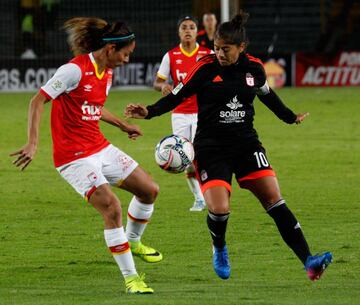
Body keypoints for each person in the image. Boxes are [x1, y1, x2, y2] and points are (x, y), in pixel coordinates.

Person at [125, 12, 332, 281]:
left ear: (241, 47)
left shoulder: (255, 68)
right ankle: (219, 247)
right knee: (220, 209)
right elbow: (178, 95)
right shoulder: (204, 67)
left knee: (274, 198)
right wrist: (149, 112)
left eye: (225, 49)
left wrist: (289, 117)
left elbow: (267, 96)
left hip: (246, 143)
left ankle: (309, 261)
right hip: (211, 147)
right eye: (216, 47)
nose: (219, 53)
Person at [10, 17, 163, 294]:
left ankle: (133, 241)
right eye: (126, 54)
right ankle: (131, 279)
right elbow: (38, 100)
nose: (128, 60)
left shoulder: (107, 72)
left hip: (99, 146)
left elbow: (92, 107)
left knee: (149, 190)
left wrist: (122, 124)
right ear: (109, 50)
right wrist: (33, 143)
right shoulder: (74, 70)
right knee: (112, 208)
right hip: (73, 157)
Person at [153, 15, 212, 212]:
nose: (188, 30)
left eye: (192, 27)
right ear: (179, 32)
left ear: (197, 31)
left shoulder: (207, 54)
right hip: (179, 113)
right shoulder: (170, 56)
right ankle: (199, 198)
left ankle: (209, 195)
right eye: (184, 27)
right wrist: (163, 86)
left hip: (203, 113)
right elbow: (158, 82)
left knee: (201, 156)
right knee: (185, 158)